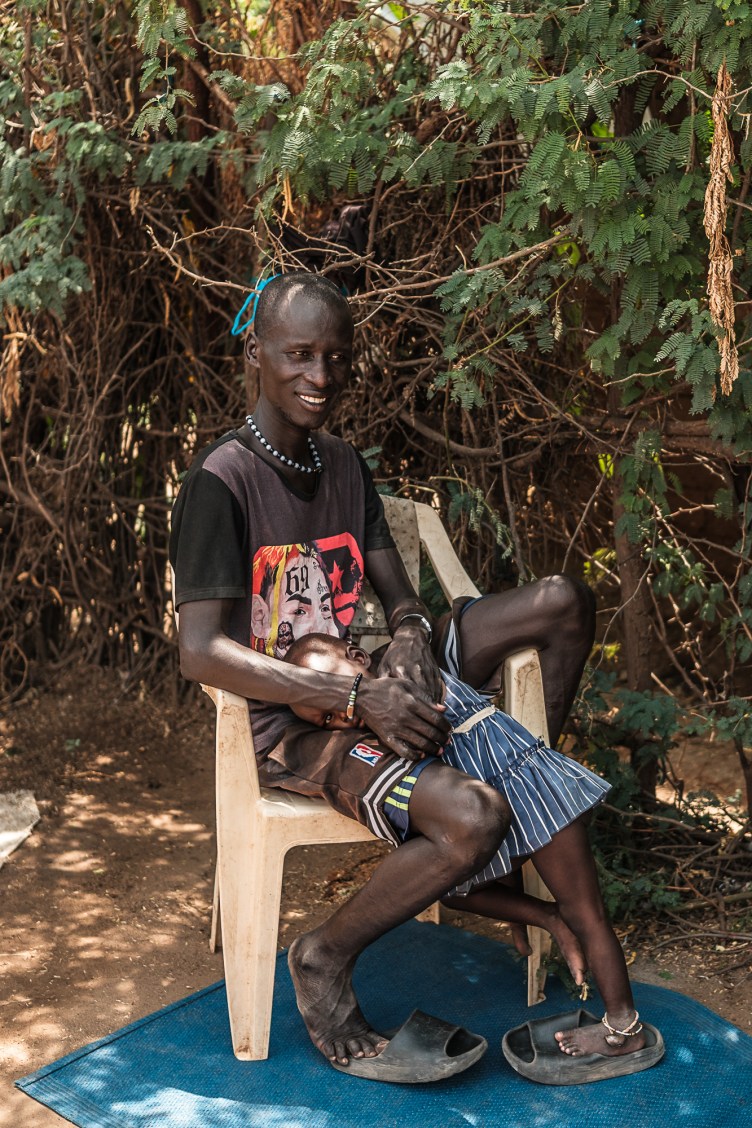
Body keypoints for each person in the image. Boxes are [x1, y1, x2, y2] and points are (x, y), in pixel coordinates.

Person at [169, 271, 606, 1079]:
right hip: (296, 722)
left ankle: (514, 840)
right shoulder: (219, 484)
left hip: (378, 670)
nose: (320, 377)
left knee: (562, 603)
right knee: (471, 815)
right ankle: (323, 958)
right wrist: (351, 696)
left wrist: (408, 636)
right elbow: (198, 651)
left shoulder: (343, 464)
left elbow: (400, 595)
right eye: (298, 354)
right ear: (256, 351)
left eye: (336, 357)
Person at [283, 631, 664, 1072]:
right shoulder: (375, 715)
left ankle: (623, 1029)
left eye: (339, 700)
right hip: (497, 804)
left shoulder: (398, 674)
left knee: (586, 912)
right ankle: (548, 916)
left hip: (536, 789)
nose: (341, 719)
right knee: (453, 890)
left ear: (359, 657)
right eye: (327, 722)